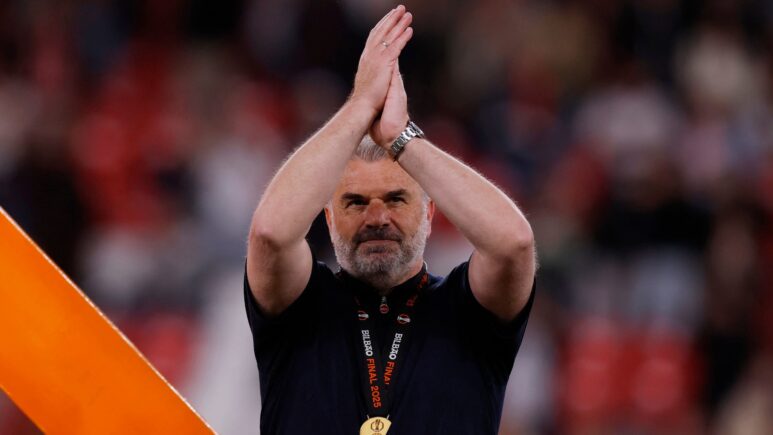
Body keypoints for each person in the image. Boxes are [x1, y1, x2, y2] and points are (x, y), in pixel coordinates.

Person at [244, 5, 536, 434]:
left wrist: (402, 139)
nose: (377, 218)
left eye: (397, 199)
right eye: (355, 202)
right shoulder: (299, 304)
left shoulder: (467, 311)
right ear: (327, 217)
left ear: (430, 213)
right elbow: (270, 233)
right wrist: (360, 105)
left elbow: (514, 244)